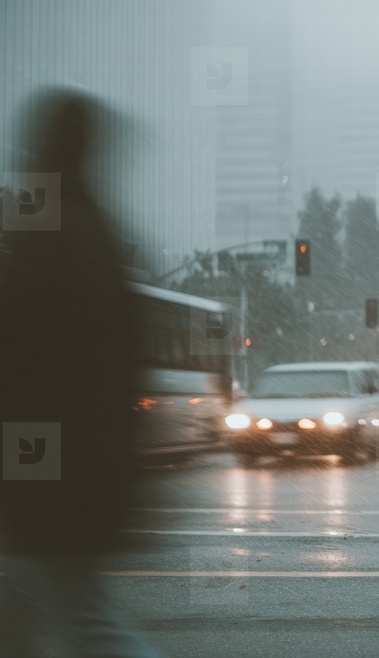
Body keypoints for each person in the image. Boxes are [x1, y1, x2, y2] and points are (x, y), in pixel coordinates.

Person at [0, 90, 162, 656]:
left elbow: (25, 356)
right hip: (74, 465)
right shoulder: (91, 225)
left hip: (46, 468)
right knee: (40, 614)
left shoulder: (48, 230)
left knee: (82, 621)